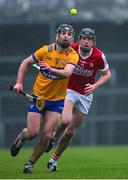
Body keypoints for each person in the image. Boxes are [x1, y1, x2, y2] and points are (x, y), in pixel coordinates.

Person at [10, 24, 79, 173]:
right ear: (57, 35)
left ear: (72, 38)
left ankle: (30, 163)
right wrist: (19, 82)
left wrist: (50, 69)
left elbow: (67, 73)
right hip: (38, 97)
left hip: (57, 101)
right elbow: (25, 63)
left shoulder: (72, 55)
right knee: (33, 132)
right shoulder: (45, 50)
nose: (66, 36)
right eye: (64, 33)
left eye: (69, 34)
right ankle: (21, 138)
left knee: (47, 135)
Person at [46, 27, 111, 171]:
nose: (86, 42)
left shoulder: (99, 56)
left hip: (85, 95)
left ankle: (53, 160)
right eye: (84, 39)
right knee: (65, 120)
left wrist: (95, 86)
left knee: (70, 132)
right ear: (79, 40)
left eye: (89, 39)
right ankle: (54, 137)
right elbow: (54, 53)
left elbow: (107, 74)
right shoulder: (71, 49)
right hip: (69, 90)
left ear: (94, 42)